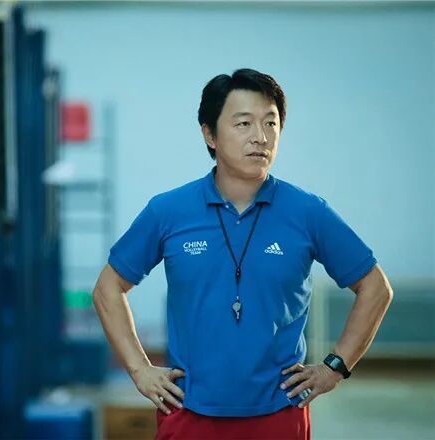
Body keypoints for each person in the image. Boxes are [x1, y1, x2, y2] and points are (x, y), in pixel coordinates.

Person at [92, 68, 393, 439]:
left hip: (279, 413)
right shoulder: (168, 211)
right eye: (244, 123)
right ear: (210, 134)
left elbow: (375, 288)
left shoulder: (308, 212)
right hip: (189, 412)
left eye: (271, 123)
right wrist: (139, 369)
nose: (260, 137)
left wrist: (335, 367)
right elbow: (108, 288)